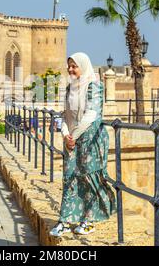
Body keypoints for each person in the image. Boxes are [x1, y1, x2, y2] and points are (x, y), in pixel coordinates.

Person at [49, 52, 116, 237]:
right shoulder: (71, 88)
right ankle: (64, 220)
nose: (70, 69)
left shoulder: (94, 87)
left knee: (89, 179)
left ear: (83, 66)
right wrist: (65, 135)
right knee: (69, 178)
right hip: (72, 140)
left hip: (90, 141)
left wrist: (73, 136)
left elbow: (91, 115)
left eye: (74, 66)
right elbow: (64, 115)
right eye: (69, 66)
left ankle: (88, 221)